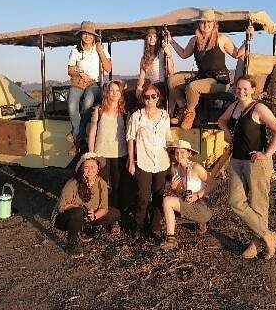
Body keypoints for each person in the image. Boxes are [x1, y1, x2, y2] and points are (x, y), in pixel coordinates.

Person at [217, 76, 276, 260]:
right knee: (235, 201)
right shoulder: (234, 107)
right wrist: (227, 134)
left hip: (256, 163)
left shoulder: (258, 108)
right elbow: (221, 121)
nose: (241, 91)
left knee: (258, 205)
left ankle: (256, 244)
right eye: (238, 88)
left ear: (253, 89)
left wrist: (267, 154)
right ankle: (267, 235)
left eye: (245, 88)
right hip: (236, 161)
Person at [166, 9, 243, 130]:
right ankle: (182, 107)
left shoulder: (221, 39)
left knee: (193, 87)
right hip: (202, 76)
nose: (206, 25)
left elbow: (237, 54)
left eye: (209, 22)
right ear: (199, 24)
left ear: (214, 24)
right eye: (203, 22)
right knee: (172, 80)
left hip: (219, 80)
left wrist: (248, 39)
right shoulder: (194, 40)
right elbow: (184, 54)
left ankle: (189, 114)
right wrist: (171, 41)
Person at [126, 84, 172, 239]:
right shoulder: (137, 116)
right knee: (143, 196)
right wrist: (131, 161)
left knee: (159, 195)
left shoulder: (165, 115)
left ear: (158, 98)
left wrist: (175, 155)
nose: (150, 99)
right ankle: (138, 226)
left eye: (154, 96)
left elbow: (168, 137)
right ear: (142, 98)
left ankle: (155, 226)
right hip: (143, 162)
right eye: (147, 97)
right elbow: (131, 139)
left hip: (161, 161)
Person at [53, 152, 121, 256]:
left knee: (115, 213)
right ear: (81, 168)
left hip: (89, 215)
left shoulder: (101, 183)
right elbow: (62, 206)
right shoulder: (73, 183)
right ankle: (72, 241)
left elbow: (104, 207)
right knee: (77, 213)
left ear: (98, 168)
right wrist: (80, 209)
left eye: (93, 167)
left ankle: (87, 228)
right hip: (67, 217)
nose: (90, 170)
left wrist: (94, 216)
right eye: (86, 167)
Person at [160, 140, 216, 251]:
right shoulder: (175, 169)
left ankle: (171, 239)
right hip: (189, 202)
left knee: (167, 201)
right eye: (176, 152)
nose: (179, 155)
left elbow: (213, 184)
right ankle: (199, 224)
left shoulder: (196, 168)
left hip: (202, 205)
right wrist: (175, 188)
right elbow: (182, 192)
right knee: (167, 201)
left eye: (182, 152)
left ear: (189, 154)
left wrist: (198, 195)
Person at [67, 21, 112, 154]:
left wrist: (101, 52)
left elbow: (108, 69)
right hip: (79, 82)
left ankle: (77, 136)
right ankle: (79, 136)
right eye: (84, 34)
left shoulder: (100, 48)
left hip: (95, 83)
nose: (87, 37)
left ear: (94, 37)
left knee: (87, 102)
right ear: (81, 36)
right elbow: (70, 70)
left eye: (90, 34)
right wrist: (80, 73)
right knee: (71, 105)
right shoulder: (75, 51)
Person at [88, 80, 129, 211]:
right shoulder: (99, 110)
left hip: (119, 154)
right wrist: (91, 153)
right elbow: (93, 131)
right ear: (107, 92)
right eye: (111, 90)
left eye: (117, 90)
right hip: (101, 154)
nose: (114, 93)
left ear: (121, 93)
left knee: (118, 186)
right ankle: (101, 211)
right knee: (102, 186)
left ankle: (115, 213)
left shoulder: (124, 112)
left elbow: (128, 135)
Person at [135, 27, 176, 113]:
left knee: (154, 91)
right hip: (149, 85)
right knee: (136, 93)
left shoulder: (162, 52)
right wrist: (139, 87)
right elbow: (142, 76)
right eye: (150, 36)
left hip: (161, 84)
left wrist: (169, 55)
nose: (152, 39)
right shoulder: (144, 58)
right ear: (146, 39)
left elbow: (171, 70)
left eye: (154, 36)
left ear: (158, 39)